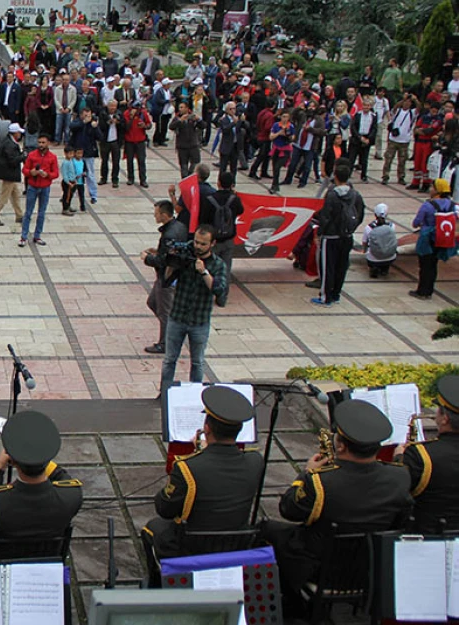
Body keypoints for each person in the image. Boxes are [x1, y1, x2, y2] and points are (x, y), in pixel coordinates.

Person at [262, 400, 412, 616]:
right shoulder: (400, 476)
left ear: (340, 446)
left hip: (322, 569)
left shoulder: (320, 482)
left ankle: (292, 603)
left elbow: (288, 509)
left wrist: (305, 474)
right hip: (369, 566)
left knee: (266, 530)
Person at [142, 386, 262, 560]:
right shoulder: (255, 461)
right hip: (234, 542)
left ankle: (158, 581)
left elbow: (165, 509)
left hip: (193, 547)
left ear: (207, 428)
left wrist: (197, 455)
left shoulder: (186, 468)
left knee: (153, 528)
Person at [0, 410, 82, 560]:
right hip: (47, 555)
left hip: (2, 557)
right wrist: (35, 454)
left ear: (13, 461)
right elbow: (62, 476)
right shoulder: (71, 495)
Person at [160, 225, 228, 394]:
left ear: (212, 244)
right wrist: (172, 264)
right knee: (169, 360)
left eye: (203, 244)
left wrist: (204, 272)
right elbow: (166, 282)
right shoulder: (186, 256)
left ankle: (195, 394)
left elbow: (219, 290)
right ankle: (164, 393)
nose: (198, 246)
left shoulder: (218, 264)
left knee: (197, 362)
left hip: (199, 320)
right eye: (196, 242)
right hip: (177, 317)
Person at [395, 374, 459, 534]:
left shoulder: (421, 456)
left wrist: (399, 458)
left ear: (444, 419)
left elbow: (398, 493)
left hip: (429, 541)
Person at [311, 163, 364, 306]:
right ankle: (336, 295)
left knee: (327, 267)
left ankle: (325, 297)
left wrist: (319, 234)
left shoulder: (332, 195)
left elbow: (326, 216)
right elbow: (360, 214)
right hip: (347, 236)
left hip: (331, 236)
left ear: (335, 176)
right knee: (341, 266)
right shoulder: (355, 194)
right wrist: (350, 228)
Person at [142, 199, 188, 355]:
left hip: (167, 277)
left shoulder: (169, 234)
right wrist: (158, 251)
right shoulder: (179, 227)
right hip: (168, 276)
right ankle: (172, 331)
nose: (155, 216)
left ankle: (166, 343)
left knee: (164, 311)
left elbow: (164, 261)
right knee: (153, 302)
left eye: (156, 214)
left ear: (164, 214)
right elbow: (169, 253)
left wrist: (147, 258)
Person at [199, 171, 244, 307]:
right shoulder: (234, 199)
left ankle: (205, 294)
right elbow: (241, 211)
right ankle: (222, 297)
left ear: (218, 183)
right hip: (229, 239)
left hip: (213, 241)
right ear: (232, 185)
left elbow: (203, 219)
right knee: (225, 268)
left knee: (207, 267)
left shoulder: (210, 199)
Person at [410, 178, 457, 300]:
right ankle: (429, 290)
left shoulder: (428, 205)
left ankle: (422, 291)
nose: (430, 189)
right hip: (441, 238)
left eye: (432, 187)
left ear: (438, 190)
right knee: (434, 265)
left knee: (425, 265)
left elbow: (416, 222)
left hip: (427, 239)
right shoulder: (451, 205)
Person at [21, 134, 59, 247]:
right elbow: (25, 169)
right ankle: (23, 236)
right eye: (39, 142)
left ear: (48, 143)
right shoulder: (32, 155)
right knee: (28, 212)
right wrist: (31, 172)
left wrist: (47, 175)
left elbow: (56, 173)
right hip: (32, 186)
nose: (41, 145)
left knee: (41, 213)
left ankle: (37, 235)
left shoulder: (52, 157)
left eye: (43, 142)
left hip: (45, 187)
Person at [0, 123, 27, 226]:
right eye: (19, 132)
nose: (20, 135)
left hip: (10, 174)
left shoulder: (8, 141)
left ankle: (19, 215)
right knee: (4, 197)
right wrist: (23, 156)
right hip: (9, 175)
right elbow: (13, 161)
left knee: (15, 196)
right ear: (15, 133)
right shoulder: (10, 145)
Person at [381, 94, 416, 186]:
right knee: (388, 159)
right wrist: (402, 100)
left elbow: (420, 108)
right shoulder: (397, 111)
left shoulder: (412, 113)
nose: (407, 104)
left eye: (409, 102)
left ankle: (401, 177)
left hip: (404, 140)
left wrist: (415, 100)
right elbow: (395, 107)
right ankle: (385, 176)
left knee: (402, 160)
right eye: (405, 102)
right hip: (393, 139)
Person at [362, 203, 397, 278]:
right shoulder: (392, 226)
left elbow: (364, 242)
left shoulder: (369, 227)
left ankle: (374, 268)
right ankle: (384, 269)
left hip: (373, 258)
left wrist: (364, 251)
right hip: (390, 256)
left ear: (375, 214)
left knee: (370, 252)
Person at [170, 101, 204, 177]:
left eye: (182, 107)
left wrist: (199, 120)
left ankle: (190, 176)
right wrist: (180, 121)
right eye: (179, 107)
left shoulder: (192, 117)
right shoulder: (177, 118)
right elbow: (171, 127)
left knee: (195, 164)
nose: (180, 109)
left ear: (187, 108)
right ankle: (185, 181)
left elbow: (203, 126)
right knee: (183, 167)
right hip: (182, 146)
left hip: (193, 145)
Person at [123, 101, 151, 188]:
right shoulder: (126, 113)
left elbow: (149, 125)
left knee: (141, 161)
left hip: (140, 141)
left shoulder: (143, 113)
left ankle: (143, 180)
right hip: (129, 141)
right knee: (129, 160)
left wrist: (145, 126)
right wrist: (131, 117)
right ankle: (130, 178)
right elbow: (126, 128)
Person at [59, 146, 85, 216]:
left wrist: (75, 179)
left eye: (72, 153)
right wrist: (68, 182)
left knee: (70, 195)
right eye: (69, 154)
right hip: (68, 182)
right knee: (67, 196)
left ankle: (68, 206)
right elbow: (64, 174)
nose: (71, 155)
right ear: (65, 154)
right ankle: (65, 209)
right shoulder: (65, 163)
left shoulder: (71, 161)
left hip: (73, 181)